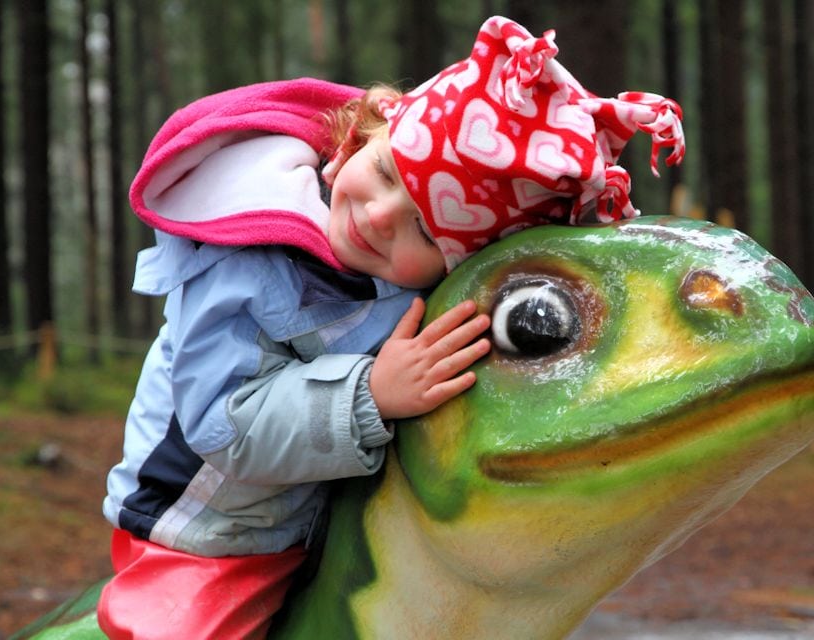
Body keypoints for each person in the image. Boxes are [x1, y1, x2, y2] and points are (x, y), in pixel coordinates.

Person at [97, 15, 685, 640]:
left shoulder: (406, 282)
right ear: (354, 143)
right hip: (201, 533)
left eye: (425, 229)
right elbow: (220, 424)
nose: (379, 217)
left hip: (318, 522)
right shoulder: (244, 259)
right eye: (384, 174)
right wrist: (369, 395)